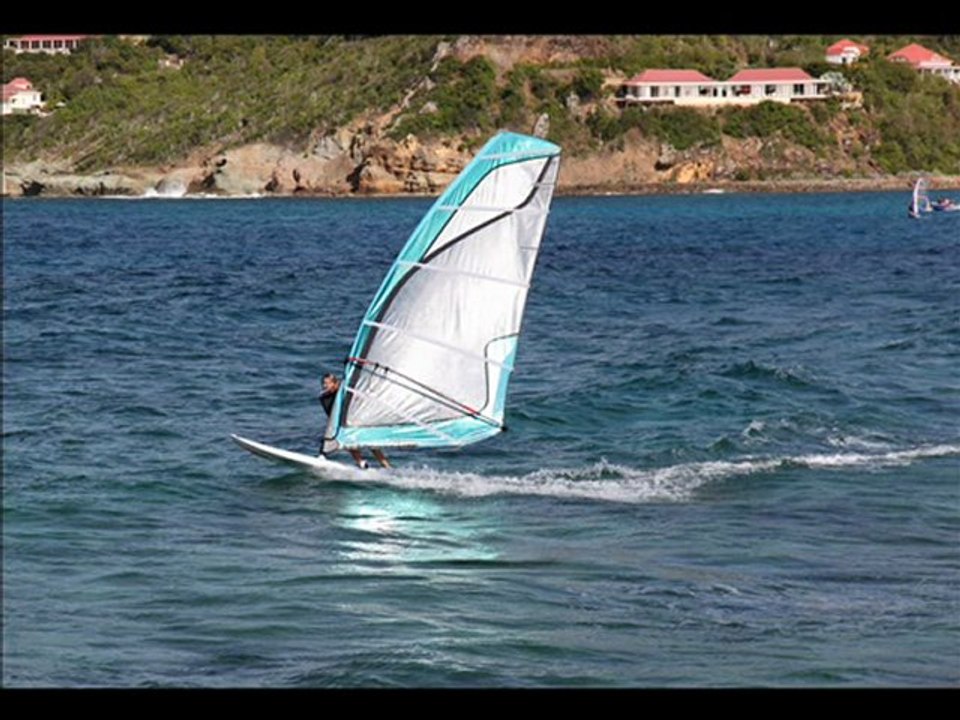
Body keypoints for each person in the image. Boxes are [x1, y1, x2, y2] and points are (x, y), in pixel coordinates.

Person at [319, 373, 391, 469]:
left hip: (358, 418)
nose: (324, 386)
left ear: (335, 383)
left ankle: (386, 466)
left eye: (327, 383)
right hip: (343, 421)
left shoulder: (346, 389)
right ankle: (361, 463)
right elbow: (330, 414)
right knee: (348, 440)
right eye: (323, 383)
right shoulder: (324, 397)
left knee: (371, 443)